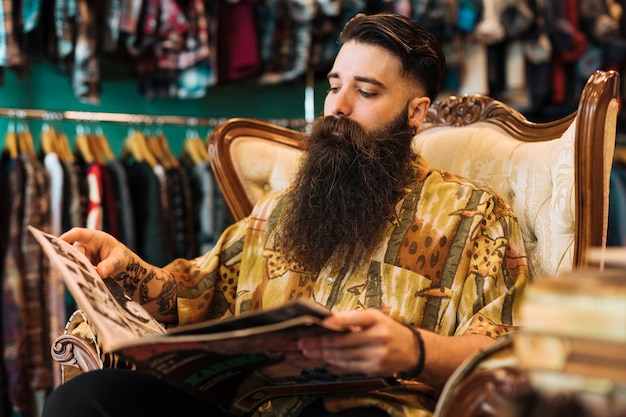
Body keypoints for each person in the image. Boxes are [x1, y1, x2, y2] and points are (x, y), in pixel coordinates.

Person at [43, 12, 530, 417]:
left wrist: (414, 350)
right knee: (86, 399)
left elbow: (508, 352)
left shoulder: (474, 214)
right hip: (252, 407)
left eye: (366, 92)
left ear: (416, 112)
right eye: (334, 85)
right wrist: (126, 265)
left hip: (371, 408)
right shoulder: (281, 207)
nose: (336, 106)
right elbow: (197, 294)